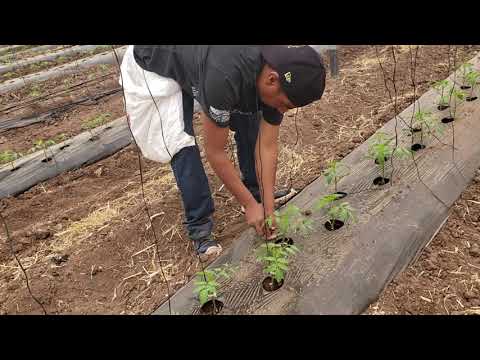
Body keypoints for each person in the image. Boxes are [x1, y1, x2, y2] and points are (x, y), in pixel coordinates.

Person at [120, 45, 326, 260]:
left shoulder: (276, 67)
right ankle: (199, 227)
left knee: (251, 122)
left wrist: (267, 205)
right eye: (285, 104)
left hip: (207, 61)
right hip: (155, 60)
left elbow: (266, 146)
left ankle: (256, 194)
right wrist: (247, 205)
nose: (282, 111)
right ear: (272, 79)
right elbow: (215, 152)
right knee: (181, 143)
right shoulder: (224, 76)